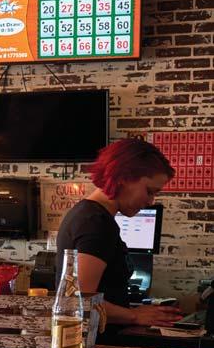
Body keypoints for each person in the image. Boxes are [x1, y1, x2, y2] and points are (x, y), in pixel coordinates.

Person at [55, 137, 183, 335]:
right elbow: (80, 300)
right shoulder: (96, 223)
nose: (151, 201)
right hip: (96, 344)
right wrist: (135, 316)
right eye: (149, 191)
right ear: (124, 177)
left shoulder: (89, 215)